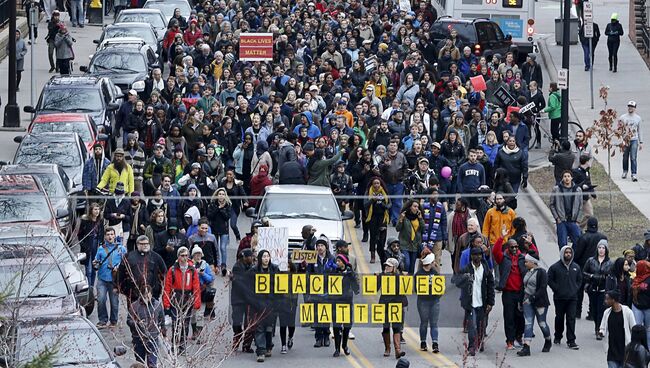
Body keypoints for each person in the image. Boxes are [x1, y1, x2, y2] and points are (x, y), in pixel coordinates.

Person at [453, 246, 495, 356]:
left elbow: (491, 286)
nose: (478, 257)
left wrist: (491, 302)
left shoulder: (485, 269)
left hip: (483, 302)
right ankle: (471, 346)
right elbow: (456, 282)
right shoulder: (466, 269)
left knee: (482, 324)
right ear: (471, 256)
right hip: (470, 303)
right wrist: (465, 278)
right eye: (475, 255)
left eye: (480, 255)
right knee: (472, 325)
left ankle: (480, 342)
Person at [162, 246, 201, 355]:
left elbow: (196, 287)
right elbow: (167, 287)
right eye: (182, 255)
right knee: (175, 323)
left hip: (187, 299)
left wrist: (196, 302)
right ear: (178, 257)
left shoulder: (192, 270)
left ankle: (182, 347)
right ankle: (174, 345)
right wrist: (166, 303)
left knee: (185, 324)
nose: (184, 258)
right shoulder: (173, 269)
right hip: (176, 298)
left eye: (186, 256)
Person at [492, 229, 527, 350]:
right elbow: (495, 251)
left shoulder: (522, 258)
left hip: (520, 292)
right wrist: (501, 237)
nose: (515, 249)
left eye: (516, 247)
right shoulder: (503, 258)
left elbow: (535, 255)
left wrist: (530, 244)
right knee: (509, 317)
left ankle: (518, 336)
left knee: (520, 317)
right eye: (512, 247)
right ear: (508, 247)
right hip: (508, 293)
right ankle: (510, 340)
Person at [547, 245, 582, 349]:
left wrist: (575, 288)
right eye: (566, 252)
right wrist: (556, 288)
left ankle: (571, 340)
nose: (568, 254)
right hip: (559, 298)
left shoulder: (576, 267)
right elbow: (549, 279)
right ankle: (558, 335)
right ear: (562, 253)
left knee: (571, 319)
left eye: (570, 253)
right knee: (559, 318)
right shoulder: (554, 267)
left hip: (572, 298)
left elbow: (580, 280)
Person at [518, 253, 552, 356]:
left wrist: (533, 297)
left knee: (542, 323)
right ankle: (526, 347)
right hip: (527, 301)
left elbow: (542, 288)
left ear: (533, 262)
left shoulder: (542, 273)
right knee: (528, 323)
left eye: (527, 261)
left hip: (540, 302)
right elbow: (523, 288)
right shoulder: (526, 272)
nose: (525, 263)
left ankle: (548, 340)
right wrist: (520, 301)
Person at [573, 217, 608, 319]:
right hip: (598, 267)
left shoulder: (583, 237)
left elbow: (578, 254)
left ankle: (577, 311)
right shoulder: (603, 238)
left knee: (579, 290)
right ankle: (592, 313)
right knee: (594, 291)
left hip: (583, 267)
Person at [94, 227, 127, 328]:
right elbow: (96, 261)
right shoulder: (100, 249)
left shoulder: (121, 248)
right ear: (105, 236)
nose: (110, 236)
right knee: (101, 299)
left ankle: (114, 321)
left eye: (112, 234)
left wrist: (119, 267)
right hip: (102, 278)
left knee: (114, 302)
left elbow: (126, 262)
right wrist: (95, 263)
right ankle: (103, 320)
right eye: (108, 234)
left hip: (114, 280)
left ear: (115, 236)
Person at [250, 249, 279, 362]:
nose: (266, 258)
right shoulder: (254, 270)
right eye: (264, 256)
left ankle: (268, 346)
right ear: (260, 258)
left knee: (269, 327)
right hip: (258, 303)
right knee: (259, 327)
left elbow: (280, 284)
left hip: (271, 302)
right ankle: (260, 351)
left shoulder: (275, 269)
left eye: (268, 256)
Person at [127, 285, 164, 368]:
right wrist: (136, 323)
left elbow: (162, 319)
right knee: (140, 363)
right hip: (139, 338)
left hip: (153, 338)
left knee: (152, 364)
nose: (146, 297)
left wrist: (163, 331)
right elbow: (129, 320)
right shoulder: (134, 306)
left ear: (151, 294)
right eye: (144, 295)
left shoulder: (157, 305)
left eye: (148, 295)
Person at [583, 239, 613, 339]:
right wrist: (592, 276)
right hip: (592, 289)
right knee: (594, 311)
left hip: (603, 290)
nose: (601, 250)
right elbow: (584, 273)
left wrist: (605, 278)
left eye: (603, 248)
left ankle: (600, 329)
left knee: (602, 310)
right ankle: (596, 326)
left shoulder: (609, 262)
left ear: (606, 250)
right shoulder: (591, 260)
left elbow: (612, 275)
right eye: (599, 248)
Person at [330, 253, 359, 357]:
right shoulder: (333, 272)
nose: (337, 263)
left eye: (339, 261)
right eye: (336, 261)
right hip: (335, 302)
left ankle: (344, 345)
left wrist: (352, 277)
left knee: (347, 326)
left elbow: (356, 289)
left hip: (347, 301)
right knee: (336, 326)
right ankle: (337, 348)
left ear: (344, 262)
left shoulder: (350, 273)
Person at [599, 290, 637, 368]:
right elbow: (602, 327)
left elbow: (634, 328)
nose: (605, 301)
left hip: (624, 350)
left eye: (607, 299)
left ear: (613, 300)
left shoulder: (628, 312)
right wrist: (601, 332)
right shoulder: (607, 312)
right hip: (611, 350)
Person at [380, 258, 407, 359]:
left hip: (396, 303)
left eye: (389, 266)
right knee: (386, 327)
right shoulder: (382, 275)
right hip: (385, 304)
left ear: (394, 267)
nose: (386, 267)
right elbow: (375, 286)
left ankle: (397, 350)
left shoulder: (399, 277)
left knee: (396, 327)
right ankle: (387, 348)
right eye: (386, 265)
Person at [549, 170, 583, 249]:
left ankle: (573, 258)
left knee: (578, 241)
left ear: (571, 178)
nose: (567, 178)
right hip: (562, 221)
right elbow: (551, 204)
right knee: (562, 243)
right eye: (565, 176)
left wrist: (578, 220)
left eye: (568, 176)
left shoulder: (578, 190)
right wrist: (557, 218)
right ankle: (564, 259)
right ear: (562, 178)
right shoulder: (556, 189)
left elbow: (580, 206)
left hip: (573, 221)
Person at [415, 253, 442, 353]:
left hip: (434, 301)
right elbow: (416, 288)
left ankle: (435, 343)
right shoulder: (419, 274)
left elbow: (440, 285)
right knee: (424, 322)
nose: (435, 263)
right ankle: (423, 342)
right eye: (433, 262)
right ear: (430, 263)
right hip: (423, 301)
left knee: (434, 323)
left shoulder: (435, 273)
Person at [231, 248, 255, 353]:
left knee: (249, 323)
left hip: (249, 300)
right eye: (250, 256)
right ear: (245, 257)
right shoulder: (237, 267)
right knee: (236, 321)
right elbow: (240, 283)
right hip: (238, 299)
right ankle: (237, 337)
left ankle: (247, 344)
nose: (252, 258)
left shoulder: (253, 267)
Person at [364, 177, 391, 264]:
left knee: (382, 237)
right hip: (373, 217)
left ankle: (381, 254)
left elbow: (390, 204)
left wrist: (384, 205)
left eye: (378, 183)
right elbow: (365, 204)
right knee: (373, 236)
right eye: (374, 183)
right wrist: (372, 200)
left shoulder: (384, 192)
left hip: (383, 217)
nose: (376, 185)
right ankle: (373, 255)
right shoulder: (369, 192)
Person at [421, 188, 448, 268]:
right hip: (425, 239)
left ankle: (436, 278)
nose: (436, 196)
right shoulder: (423, 207)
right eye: (434, 194)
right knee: (424, 260)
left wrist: (444, 238)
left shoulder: (441, 207)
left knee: (436, 261)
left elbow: (444, 223)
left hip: (437, 238)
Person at [78, 202, 104, 286]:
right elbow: (80, 235)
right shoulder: (85, 221)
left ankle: (91, 287)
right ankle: (88, 288)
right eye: (95, 209)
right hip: (87, 246)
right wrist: (83, 245)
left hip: (96, 245)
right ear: (91, 211)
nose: (97, 211)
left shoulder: (100, 221)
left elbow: (102, 234)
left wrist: (101, 244)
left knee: (94, 269)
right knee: (88, 270)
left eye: (98, 209)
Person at [207, 188, 231, 276]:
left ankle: (224, 266)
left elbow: (227, 217)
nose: (221, 195)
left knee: (223, 248)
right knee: (215, 248)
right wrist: (218, 208)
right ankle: (217, 265)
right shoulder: (213, 204)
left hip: (224, 229)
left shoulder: (228, 205)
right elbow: (210, 216)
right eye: (219, 194)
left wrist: (222, 209)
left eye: (223, 194)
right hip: (214, 229)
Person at [396, 200, 424, 274]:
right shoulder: (404, 216)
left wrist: (421, 219)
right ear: (410, 207)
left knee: (412, 266)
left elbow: (423, 229)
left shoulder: (419, 217)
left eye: (418, 207)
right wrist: (401, 219)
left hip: (414, 245)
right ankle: (404, 279)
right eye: (414, 206)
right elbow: (397, 228)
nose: (416, 208)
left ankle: (411, 282)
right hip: (404, 244)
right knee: (407, 263)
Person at [620, 101, 643, 181]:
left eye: (632, 106)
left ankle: (634, 173)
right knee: (625, 157)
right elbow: (620, 129)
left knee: (633, 157)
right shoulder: (623, 117)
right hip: (625, 139)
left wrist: (641, 142)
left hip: (634, 140)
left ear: (635, 108)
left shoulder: (638, 118)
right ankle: (625, 171)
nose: (630, 108)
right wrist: (621, 139)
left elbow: (639, 130)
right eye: (629, 106)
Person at [632, 260, 650, 344]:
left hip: (648, 308)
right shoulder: (636, 278)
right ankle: (636, 348)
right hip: (637, 306)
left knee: (648, 329)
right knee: (636, 328)